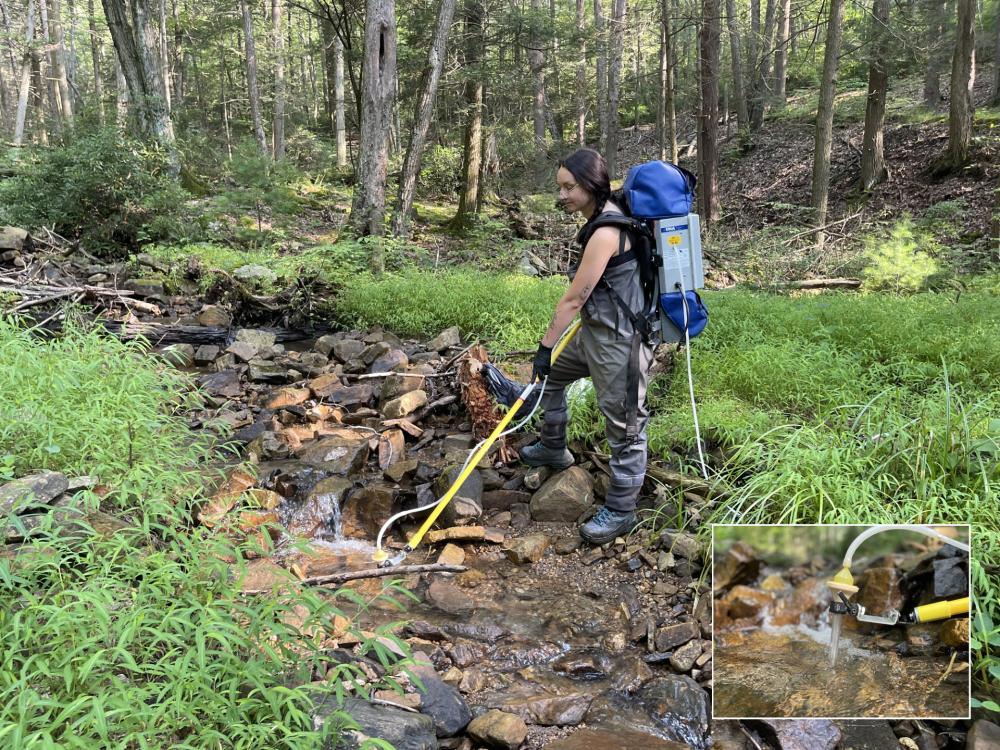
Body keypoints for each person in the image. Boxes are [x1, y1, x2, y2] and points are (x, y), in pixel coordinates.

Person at [522, 148, 655, 545]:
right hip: (593, 335)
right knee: (551, 381)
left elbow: (574, 298)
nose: (561, 195)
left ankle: (620, 509)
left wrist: (545, 347)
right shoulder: (602, 216)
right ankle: (553, 448)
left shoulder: (605, 233)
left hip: (619, 344)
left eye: (569, 187)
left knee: (625, 427)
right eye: (559, 186)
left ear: (591, 186)